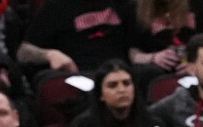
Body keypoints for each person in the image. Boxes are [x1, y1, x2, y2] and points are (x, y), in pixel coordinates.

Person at [16, 0, 147, 77]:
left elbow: (135, 47)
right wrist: (50, 55)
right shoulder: (55, 7)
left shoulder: (122, 3)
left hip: (121, 75)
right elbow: (23, 52)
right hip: (80, 77)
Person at [129, 0, 203, 75]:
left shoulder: (202, 4)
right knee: (146, 72)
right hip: (156, 71)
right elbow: (133, 54)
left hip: (198, 66)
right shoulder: (136, 8)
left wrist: (196, 64)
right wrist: (153, 57)